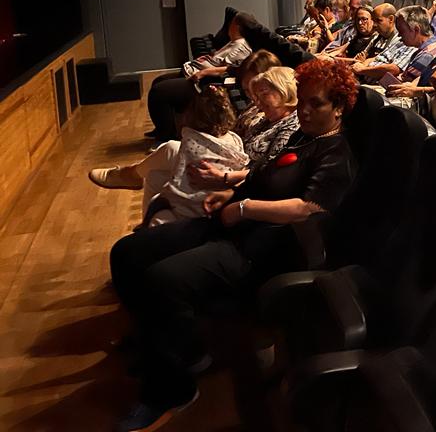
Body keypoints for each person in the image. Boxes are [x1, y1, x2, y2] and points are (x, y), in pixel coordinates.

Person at [109, 59, 359, 431]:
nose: (305, 109)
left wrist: (242, 208)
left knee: (162, 280)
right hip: (231, 225)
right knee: (127, 253)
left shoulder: (336, 152)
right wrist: (229, 190)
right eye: (303, 100)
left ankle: (172, 389)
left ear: (338, 108)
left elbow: (306, 208)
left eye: (317, 104)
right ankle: (169, 344)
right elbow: (264, 175)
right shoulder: (300, 136)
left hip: (261, 249)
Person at [90, 86, 250, 228]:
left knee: (167, 157)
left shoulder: (190, 138)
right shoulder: (235, 138)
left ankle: (132, 177)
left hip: (209, 201)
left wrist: (225, 178)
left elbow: (179, 180)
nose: (253, 96)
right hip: (229, 170)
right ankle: (134, 179)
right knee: (155, 174)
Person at [185, 66, 301, 192]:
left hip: (239, 183)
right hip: (228, 163)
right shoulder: (267, 118)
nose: (257, 103)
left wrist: (223, 178)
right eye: (256, 96)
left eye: (264, 94)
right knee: (173, 147)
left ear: (284, 91)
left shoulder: (292, 126)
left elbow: (270, 172)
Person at [145, 15, 252, 141]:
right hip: (193, 72)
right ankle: (162, 128)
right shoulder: (232, 42)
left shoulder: (241, 46)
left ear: (238, 27)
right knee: (158, 81)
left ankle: (166, 137)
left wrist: (204, 72)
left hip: (201, 81)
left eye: (232, 24)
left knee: (159, 92)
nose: (229, 27)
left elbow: (230, 68)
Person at [352, 3, 420, 79]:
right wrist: (363, 64)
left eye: (378, 21)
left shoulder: (404, 41)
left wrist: (363, 69)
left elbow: (394, 69)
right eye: (373, 21)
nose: (374, 25)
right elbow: (372, 58)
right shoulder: (377, 38)